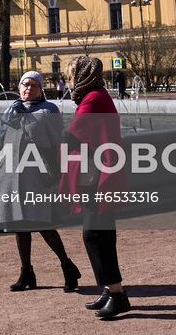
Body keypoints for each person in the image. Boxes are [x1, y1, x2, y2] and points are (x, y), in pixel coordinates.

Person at [0, 71, 82, 294]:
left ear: (41, 89)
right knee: (19, 225)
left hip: (37, 177)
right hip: (11, 177)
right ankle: (26, 272)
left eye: (33, 85)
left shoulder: (48, 111)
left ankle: (67, 267)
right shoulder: (11, 110)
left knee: (43, 223)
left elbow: (59, 143)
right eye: (24, 84)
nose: (28, 88)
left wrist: (55, 172)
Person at [62, 56, 131, 320]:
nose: (69, 79)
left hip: (97, 177)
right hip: (97, 174)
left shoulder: (93, 99)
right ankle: (111, 289)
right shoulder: (95, 95)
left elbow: (72, 135)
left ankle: (117, 295)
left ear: (82, 74)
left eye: (71, 74)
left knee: (95, 235)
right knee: (100, 233)